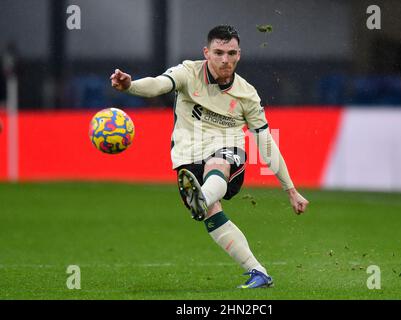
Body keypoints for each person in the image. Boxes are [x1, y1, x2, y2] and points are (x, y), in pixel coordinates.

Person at [110, 25, 309, 289]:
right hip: (188, 154)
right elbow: (158, 84)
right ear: (207, 52)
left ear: (239, 55)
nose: (225, 59)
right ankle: (258, 272)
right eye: (218, 52)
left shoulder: (247, 94)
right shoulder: (188, 72)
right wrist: (130, 86)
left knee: (218, 164)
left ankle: (202, 197)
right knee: (212, 214)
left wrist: (290, 189)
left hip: (228, 150)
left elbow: (265, 141)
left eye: (231, 53)